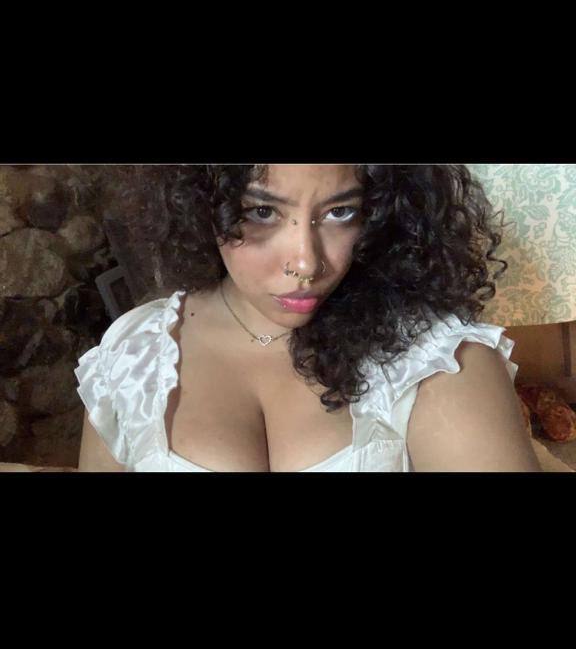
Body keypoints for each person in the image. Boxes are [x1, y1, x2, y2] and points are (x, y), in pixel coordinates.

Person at [75, 163, 541, 472]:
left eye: (340, 212)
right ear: (199, 203)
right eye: (262, 211)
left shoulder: (437, 358)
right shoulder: (132, 353)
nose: (307, 263)